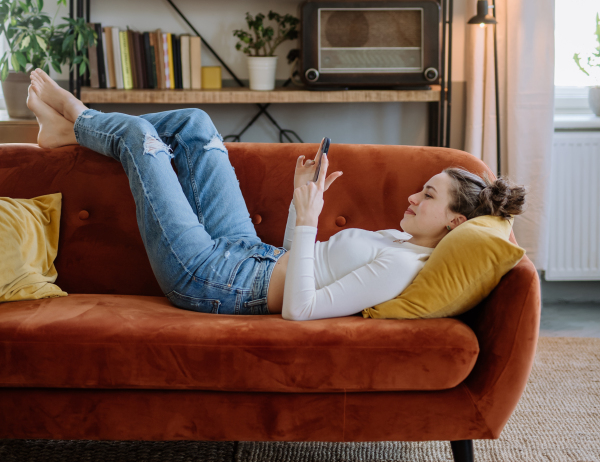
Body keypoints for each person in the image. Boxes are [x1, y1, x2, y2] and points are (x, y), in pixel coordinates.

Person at [26, 69, 526, 321]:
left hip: (216, 281)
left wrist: (310, 222)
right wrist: (299, 200)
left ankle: (76, 112)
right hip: (252, 254)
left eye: (429, 196)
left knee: (141, 140)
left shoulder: (401, 269)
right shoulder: (398, 240)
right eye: (423, 189)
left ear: (455, 224)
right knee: (197, 125)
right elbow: (296, 259)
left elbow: (300, 309)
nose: (414, 197)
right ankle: (69, 135)